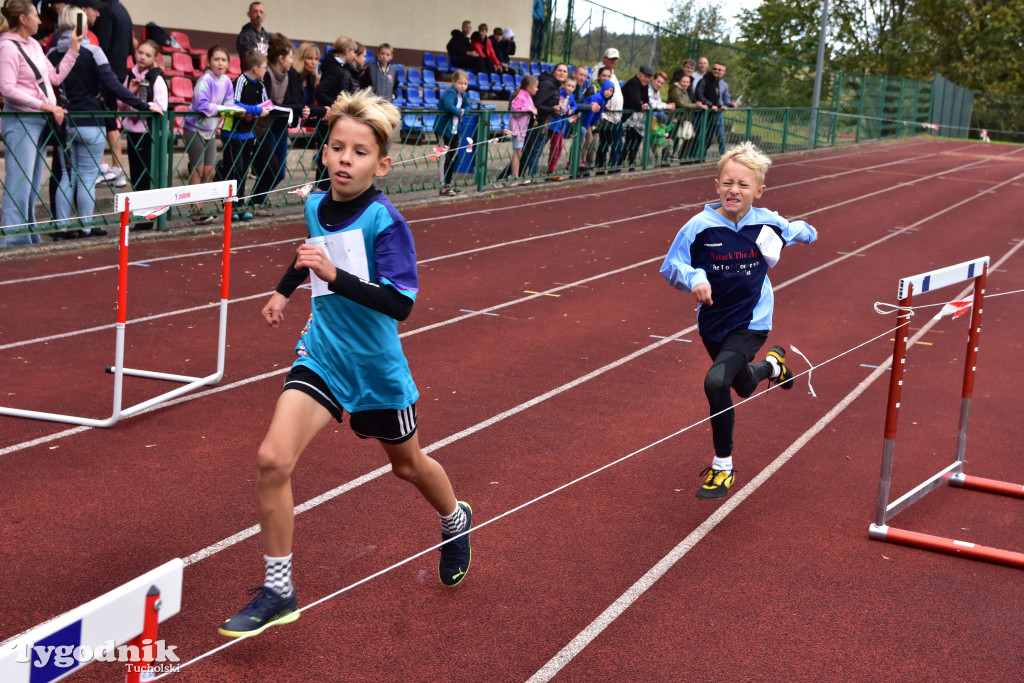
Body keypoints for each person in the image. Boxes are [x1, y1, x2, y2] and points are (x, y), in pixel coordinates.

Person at [217, 88, 473, 638]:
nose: (343, 160)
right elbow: (310, 249)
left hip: (376, 368)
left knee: (407, 466)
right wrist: (285, 291)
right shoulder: (313, 201)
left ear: (381, 163)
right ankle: (279, 589)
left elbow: (400, 303)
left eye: (358, 152)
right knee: (271, 460)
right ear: (323, 151)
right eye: (336, 147)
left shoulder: (387, 221)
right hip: (324, 353)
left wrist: (335, 278)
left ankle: (455, 517)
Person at [659, 142, 818, 499]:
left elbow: (800, 231)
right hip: (714, 323)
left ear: (758, 191)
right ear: (716, 185)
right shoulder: (697, 228)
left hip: (752, 321)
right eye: (728, 182)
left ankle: (723, 468)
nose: (734, 190)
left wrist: (803, 231)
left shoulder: (768, 223)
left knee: (717, 381)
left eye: (744, 185)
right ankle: (774, 367)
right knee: (742, 385)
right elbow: (671, 267)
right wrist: (694, 277)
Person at [47, 4, 159, 238]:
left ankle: (61, 228)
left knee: (66, 177)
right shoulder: (94, 51)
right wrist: (142, 104)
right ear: (82, 24)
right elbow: (112, 85)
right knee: (87, 178)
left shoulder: (52, 53)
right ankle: (85, 226)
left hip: (63, 121)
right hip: (91, 120)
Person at [0, 0, 80, 246]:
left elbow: (54, 76)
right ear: (22, 19)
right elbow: (6, 88)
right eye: (35, 15)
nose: (39, 20)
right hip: (21, 119)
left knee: (32, 181)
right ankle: (12, 236)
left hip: (37, 119)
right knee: (19, 181)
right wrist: (45, 105)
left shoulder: (34, 44)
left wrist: (73, 51)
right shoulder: (8, 48)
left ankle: (25, 233)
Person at [251, 34, 319, 217]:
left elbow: (292, 102)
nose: (292, 61)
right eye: (290, 57)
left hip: (280, 126)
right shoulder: (267, 74)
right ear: (281, 58)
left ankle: (255, 202)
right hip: (262, 128)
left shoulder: (289, 76)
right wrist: (297, 108)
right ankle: (251, 203)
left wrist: (301, 109)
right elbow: (270, 103)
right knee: (270, 168)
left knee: (279, 172)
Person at [118, 38, 167, 230]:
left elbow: (161, 106)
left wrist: (144, 105)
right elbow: (121, 106)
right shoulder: (131, 76)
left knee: (147, 175)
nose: (142, 57)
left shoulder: (156, 78)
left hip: (149, 133)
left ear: (154, 58)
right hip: (132, 131)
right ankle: (140, 215)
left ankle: (148, 218)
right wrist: (130, 91)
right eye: (140, 53)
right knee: (136, 175)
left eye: (147, 55)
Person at [218, 49, 272, 220]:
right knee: (233, 169)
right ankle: (230, 205)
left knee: (243, 170)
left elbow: (265, 104)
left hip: (248, 133)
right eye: (264, 67)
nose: (266, 71)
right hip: (233, 132)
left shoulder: (261, 84)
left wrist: (256, 112)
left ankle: (240, 205)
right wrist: (255, 110)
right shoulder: (241, 81)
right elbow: (234, 103)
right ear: (255, 68)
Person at [182, 45, 234, 224]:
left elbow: (230, 104)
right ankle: (196, 211)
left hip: (211, 131)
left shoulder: (227, 81)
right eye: (216, 59)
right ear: (209, 62)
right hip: (194, 128)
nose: (220, 63)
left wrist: (231, 110)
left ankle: (201, 206)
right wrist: (222, 110)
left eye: (223, 60)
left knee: (209, 171)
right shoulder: (205, 80)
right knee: (198, 169)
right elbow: (203, 106)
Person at [522, 62, 567, 178]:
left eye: (564, 71)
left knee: (532, 151)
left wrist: (555, 109)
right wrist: (553, 108)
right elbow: (537, 104)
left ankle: (527, 177)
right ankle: (526, 177)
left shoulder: (556, 85)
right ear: (554, 71)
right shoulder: (548, 84)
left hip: (543, 122)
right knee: (530, 152)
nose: (562, 73)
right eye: (559, 70)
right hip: (535, 122)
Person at [433, 70, 468, 196]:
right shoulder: (450, 93)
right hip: (444, 130)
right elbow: (448, 105)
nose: (463, 86)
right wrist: (459, 112)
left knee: (454, 156)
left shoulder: (462, 95)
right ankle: (443, 185)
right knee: (444, 157)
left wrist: (464, 110)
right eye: (460, 83)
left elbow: (468, 106)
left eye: (465, 84)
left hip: (454, 130)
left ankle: (449, 182)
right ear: (453, 82)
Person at [503, 74, 538, 185]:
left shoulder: (527, 96)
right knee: (517, 153)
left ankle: (515, 176)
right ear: (529, 87)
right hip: (518, 129)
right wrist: (529, 109)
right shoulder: (521, 96)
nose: (537, 89)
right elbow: (515, 111)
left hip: (523, 129)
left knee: (519, 152)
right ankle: (515, 177)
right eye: (536, 86)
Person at [592, 48, 623, 170]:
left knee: (615, 145)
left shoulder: (612, 72)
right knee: (606, 145)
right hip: (605, 116)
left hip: (615, 117)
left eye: (615, 59)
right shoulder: (598, 71)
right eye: (611, 58)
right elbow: (598, 90)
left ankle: (611, 168)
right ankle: (604, 169)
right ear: (605, 58)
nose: (614, 61)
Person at [694, 61, 734, 156]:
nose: (716, 71)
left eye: (719, 70)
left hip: (718, 113)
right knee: (702, 136)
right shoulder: (704, 80)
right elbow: (699, 95)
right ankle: (696, 157)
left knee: (718, 136)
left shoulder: (723, 84)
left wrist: (730, 104)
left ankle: (724, 156)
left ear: (723, 72)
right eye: (714, 68)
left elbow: (725, 99)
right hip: (705, 113)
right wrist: (711, 105)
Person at [578, 77, 613, 172]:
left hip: (589, 123)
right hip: (584, 120)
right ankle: (580, 160)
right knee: (587, 140)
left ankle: (583, 160)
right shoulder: (597, 97)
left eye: (611, 91)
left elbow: (598, 113)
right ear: (603, 89)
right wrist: (587, 125)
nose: (609, 92)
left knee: (589, 140)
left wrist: (593, 124)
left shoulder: (604, 100)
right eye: (607, 89)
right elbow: (590, 112)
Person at [620, 65, 652, 167]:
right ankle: (619, 162)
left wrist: (642, 104)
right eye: (645, 76)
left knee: (636, 141)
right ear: (639, 75)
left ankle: (631, 162)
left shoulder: (645, 85)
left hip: (636, 119)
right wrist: (641, 105)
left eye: (648, 77)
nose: (647, 79)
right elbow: (636, 103)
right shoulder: (634, 83)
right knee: (629, 141)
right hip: (625, 117)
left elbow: (646, 101)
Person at [545, 76, 576, 179]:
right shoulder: (558, 95)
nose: (570, 88)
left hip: (563, 126)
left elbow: (574, 105)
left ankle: (552, 170)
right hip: (554, 125)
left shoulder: (571, 97)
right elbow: (559, 107)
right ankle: (550, 172)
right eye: (568, 85)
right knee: (555, 148)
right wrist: (566, 110)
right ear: (563, 85)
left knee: (559, 149)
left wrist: (572, 110)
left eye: (573, 86)